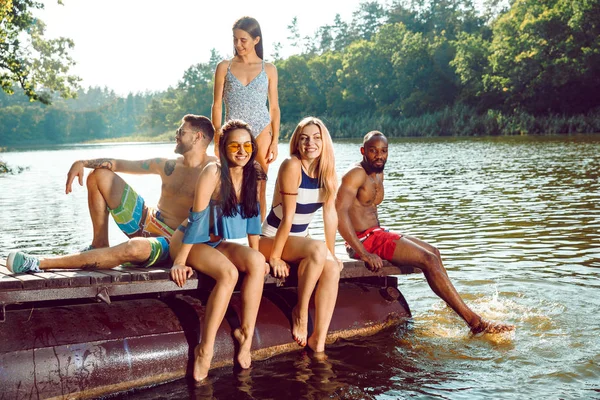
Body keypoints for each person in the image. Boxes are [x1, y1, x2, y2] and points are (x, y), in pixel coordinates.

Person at [335, 131, 515, 336]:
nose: (379, 155)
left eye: (383, 151)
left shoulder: (378, 172)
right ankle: (476, 323)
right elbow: (339, 213)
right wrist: (364, 253)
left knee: (434, 252)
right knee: (428, 259)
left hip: (376, 233)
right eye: (373, 151)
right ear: (363, 151)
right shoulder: (355, 174)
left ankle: (454, 307)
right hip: (363, 241)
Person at [7, 115, 216, 273]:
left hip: (170, 243)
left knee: (133, 248)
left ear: (198, 137)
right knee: (100, 175)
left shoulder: (215, 170)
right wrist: (82, 163)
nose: (176, 134)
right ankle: (99, 243)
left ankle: (38, 263)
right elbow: (118, 164)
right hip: (146, 220)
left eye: (181, 131)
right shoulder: (167, 164)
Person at [169, 119, 268, 381]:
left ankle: (245, 336)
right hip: (187, 240)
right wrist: (179, 260)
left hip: (214, 241)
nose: (241, 150)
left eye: (247, 145)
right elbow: (196, 218)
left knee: (257, 262)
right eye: (234, 145)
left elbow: (253, 219)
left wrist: (256, 255)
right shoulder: (213, 172)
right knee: (228, 273)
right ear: (223, 148)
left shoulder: (252, 174)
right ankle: (205, 349)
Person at [259, 117, 341, 354]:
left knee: (332, 268)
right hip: (271, 239)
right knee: (316, 249)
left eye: (316, 138)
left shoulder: (327, 170)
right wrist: (274, 257)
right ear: (297, 141)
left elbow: (330, 215)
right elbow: (288, 217)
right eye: (304, 138)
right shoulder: (291, 165)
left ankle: (319, 340)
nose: (310, 143)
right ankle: (300, 312)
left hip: (299, 242)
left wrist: (333, 254)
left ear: (324, 141)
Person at [212, 16, 280, 221]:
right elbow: (216, 104)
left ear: (256, 40)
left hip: (261, 129)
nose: (238, 44)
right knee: (229, 184)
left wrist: (275, 139)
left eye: (243, 40)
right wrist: (217, 136)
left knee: (260, 184)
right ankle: (226, 235)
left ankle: (257, 236)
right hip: (232, 131)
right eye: (235, 39)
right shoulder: (224, 67)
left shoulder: (269, 69)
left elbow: (274, 107)